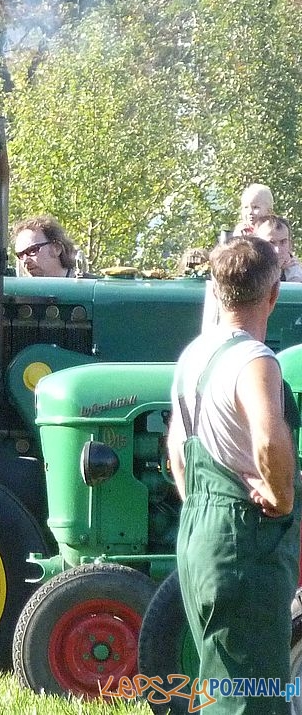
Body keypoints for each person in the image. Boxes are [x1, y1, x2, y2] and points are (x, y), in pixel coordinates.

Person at [166, 235, 299, 713]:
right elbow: (269, 436)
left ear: (217, 290)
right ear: (273, 294)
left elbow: (177, 454)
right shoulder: (256, 361)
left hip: (199, 535)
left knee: (220, 684)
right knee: (253, 696)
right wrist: (282, 499)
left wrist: (203, 505)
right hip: (245, 541)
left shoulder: (192, 356)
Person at [12, 214, 78, 278]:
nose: (25, 261)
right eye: (20, 255)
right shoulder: (20, 289)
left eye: (32, 250)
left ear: (56, 248)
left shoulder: (85, 286)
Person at [250, 215, 302, 283]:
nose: (277, 250)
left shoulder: (293, 267)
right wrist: (276, 270)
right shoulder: (247, 269)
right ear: (257, 245)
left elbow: (293, 290)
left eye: (283, 242)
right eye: (271, 243)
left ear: (290, 244)